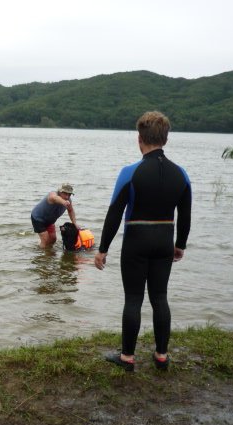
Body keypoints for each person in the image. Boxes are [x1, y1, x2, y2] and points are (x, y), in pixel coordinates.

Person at [94, 111, 192, 372]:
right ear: (166, 139)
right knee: (160, 297)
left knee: (134, 298)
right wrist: (180, 244)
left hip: (136, 242)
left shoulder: (130, 173)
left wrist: (102, 249)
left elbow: (114, 212)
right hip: (163, 241)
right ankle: (161, 355)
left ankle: (127, 358)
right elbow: (186, 213)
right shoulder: (181, 175)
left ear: (140, 139)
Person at [31, 183, 78, 248]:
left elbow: (70, 211)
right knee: (45, 239)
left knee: (53, 239)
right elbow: (55, 198)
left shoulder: (68, 200)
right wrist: (63, 202)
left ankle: (46, 251)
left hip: (50, 221)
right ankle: (43, 256)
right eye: (65, 194)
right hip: (38, 218)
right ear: (60, 191)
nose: (67, 197)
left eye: (69, 194)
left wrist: (74, 223)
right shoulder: (53, 194)